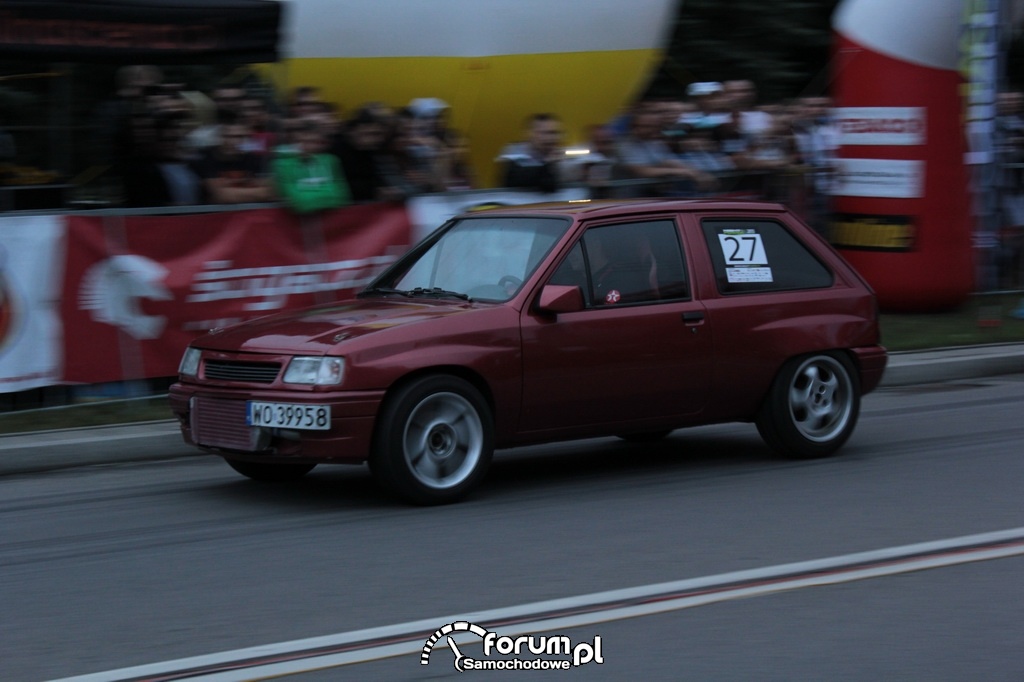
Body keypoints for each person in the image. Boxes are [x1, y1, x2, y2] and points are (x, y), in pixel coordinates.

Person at [616, 108, 713, 197]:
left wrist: (696, 172)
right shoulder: (624, 145)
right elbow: (642, 171)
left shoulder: (653, 142)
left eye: (654, 126)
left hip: (650, 194)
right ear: (634, 127)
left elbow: (667, 161)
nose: (652, 130)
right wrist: (685, 172)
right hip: (627, 197)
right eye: (646, 126)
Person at [272, 118, 351, 213]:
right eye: (304, 142)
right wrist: (326, 197)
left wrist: (311, 198)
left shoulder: (332, 160)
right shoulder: (282, 164)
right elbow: (299, 202)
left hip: (333, 219)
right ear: (294, 142)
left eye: (315, 142)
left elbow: (341, 195)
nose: (310, 146)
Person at [193, 116, 276, 204]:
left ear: (247, 138)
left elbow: (273, 191)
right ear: (217, 137)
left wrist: (232, 192)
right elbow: (222, 196)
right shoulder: (206, 157)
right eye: (226, 136)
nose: (232, 142)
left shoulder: (254, 158)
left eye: (239, 137)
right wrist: (259, 192)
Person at [497, 113, 566, 193]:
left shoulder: (561, 154)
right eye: (546, 133)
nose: (552, 138)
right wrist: (548, 165)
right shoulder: (513, 152)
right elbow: (515, 181)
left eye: (556, 133)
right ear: (530, 134)